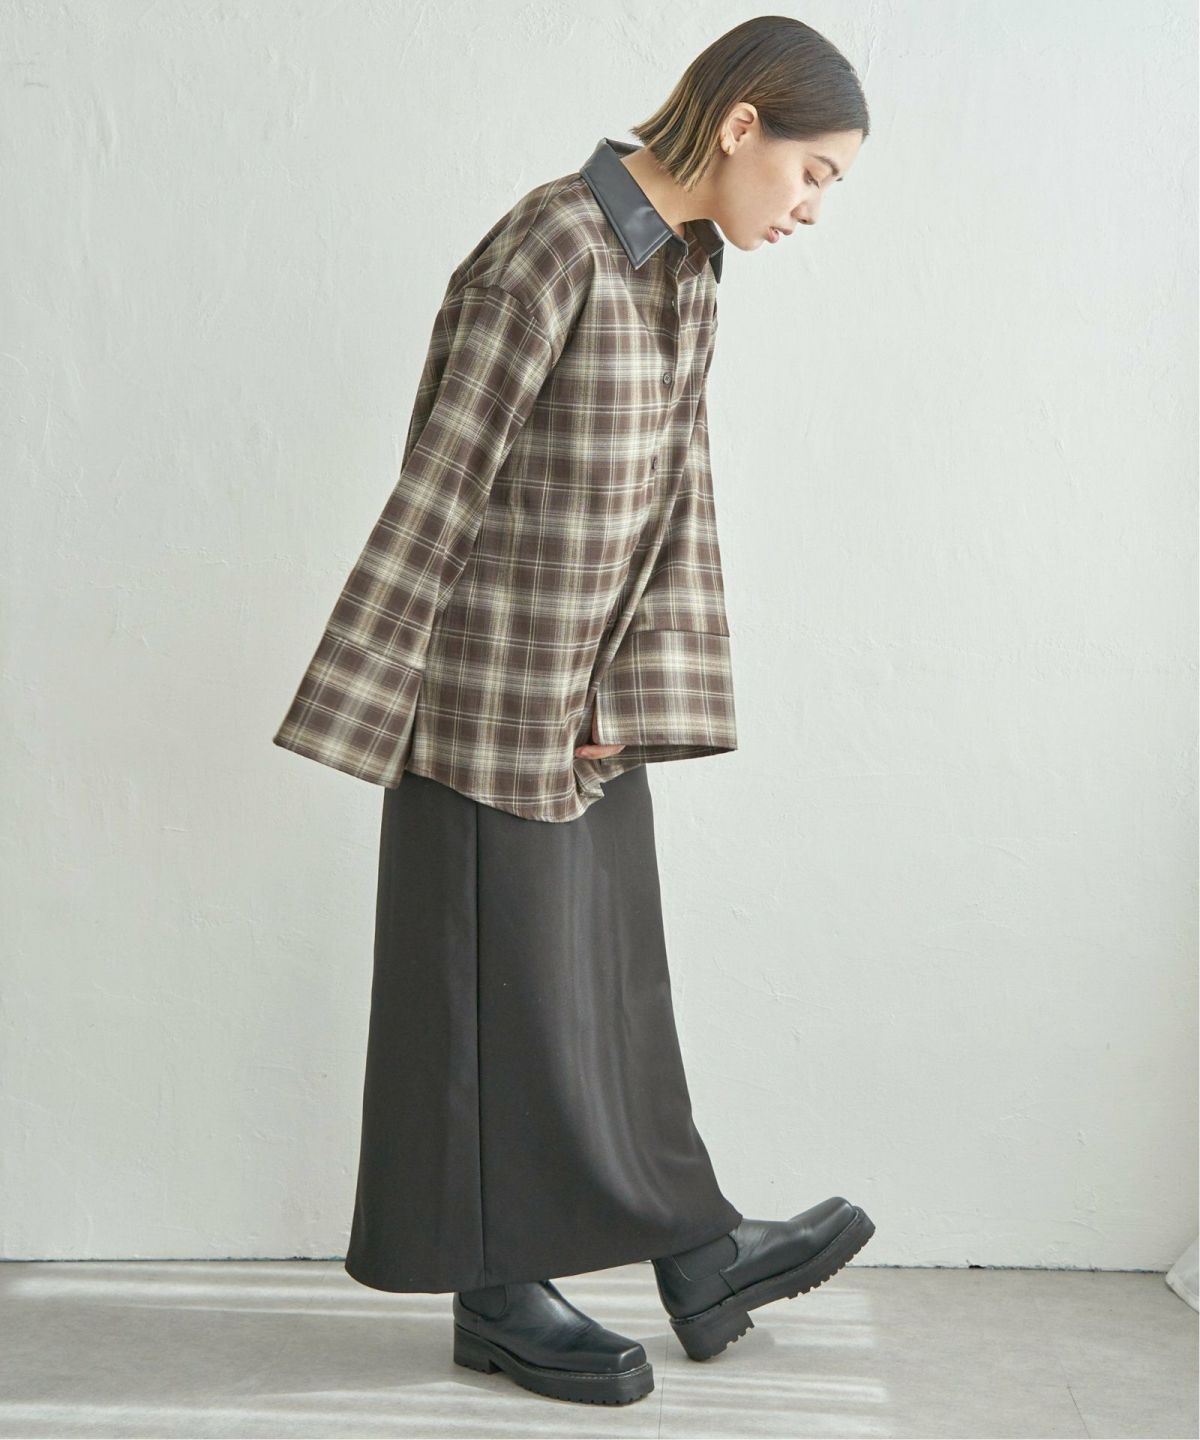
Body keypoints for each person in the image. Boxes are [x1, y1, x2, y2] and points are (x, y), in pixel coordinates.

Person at [272, 14, 875, 1408]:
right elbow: (443, 482)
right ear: (742, 124)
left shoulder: (687, 274)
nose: (812, 208)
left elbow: (676, 501)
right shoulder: (549, 247)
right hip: (486, 702)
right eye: (816, 173)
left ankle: (698, 1255)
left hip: (591, 706)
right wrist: (377, 702)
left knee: (611, 989)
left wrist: (637, 693)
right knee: (493, 1005)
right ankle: (498, 1299)